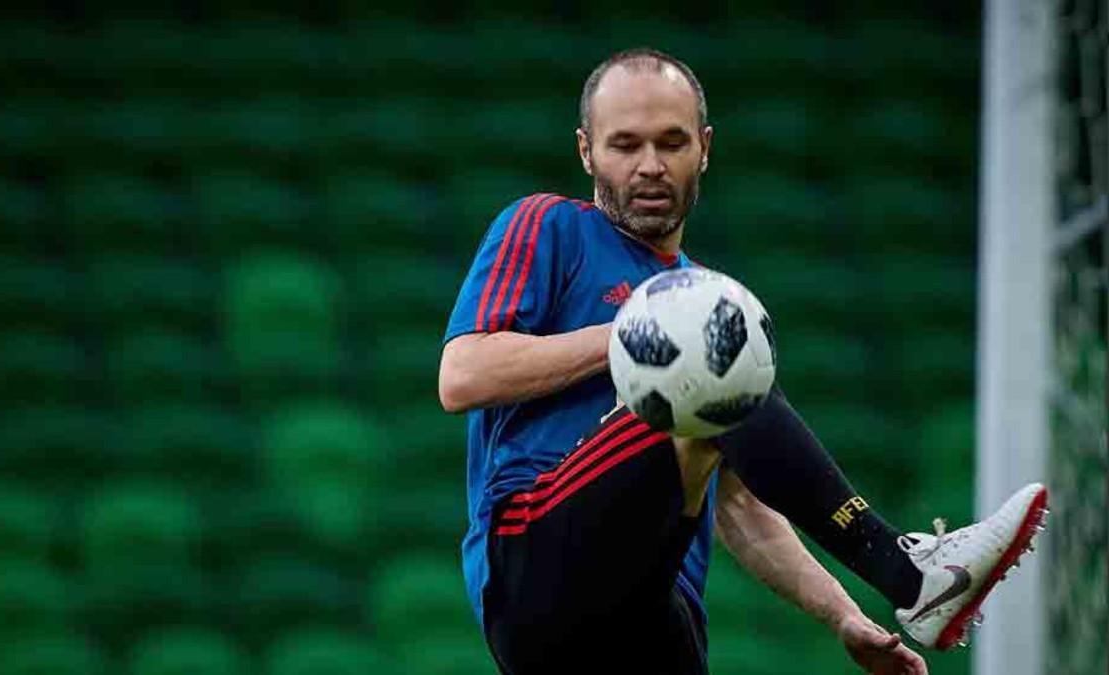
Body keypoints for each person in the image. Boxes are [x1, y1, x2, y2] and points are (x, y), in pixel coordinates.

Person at [437, 47, 1047, 675]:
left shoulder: (702, 296)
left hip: (657, 615)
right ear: (587, 152)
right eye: (625, 145)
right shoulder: (550, 227)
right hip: (536, 570)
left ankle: (905, 583)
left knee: (710, 356)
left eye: (671, 143)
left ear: (704, 147)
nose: (650, 166)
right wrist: (644, 333)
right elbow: (462, 376)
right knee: (706, 344)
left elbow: (741, 506)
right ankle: (907, 571)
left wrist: (842, 614)